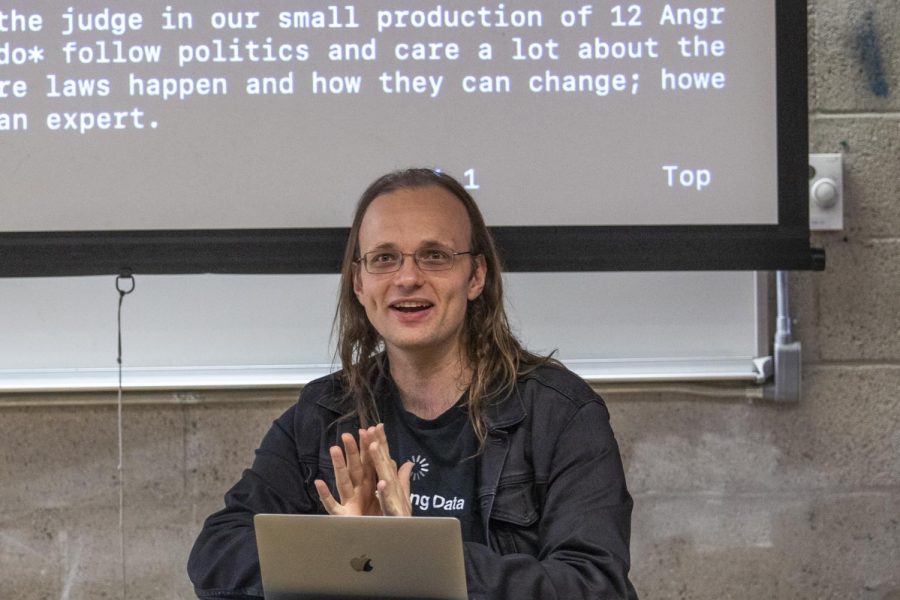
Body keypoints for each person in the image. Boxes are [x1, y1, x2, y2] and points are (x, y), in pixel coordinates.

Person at [187, 168, 638, 599]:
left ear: (475, 276)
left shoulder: (561, 415)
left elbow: (594, 586)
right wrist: (350, 554)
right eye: (384, 259)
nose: (406, 278)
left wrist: (409, 556)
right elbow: (218, 553)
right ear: (360, 283)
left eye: (434, 256)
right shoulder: (323, 412)